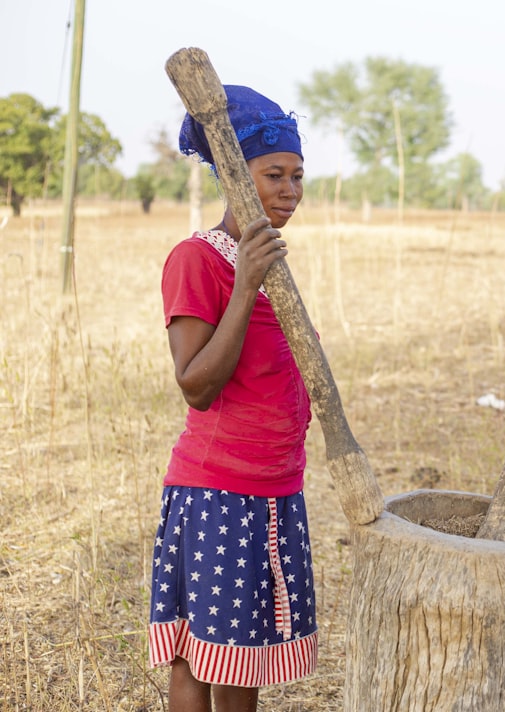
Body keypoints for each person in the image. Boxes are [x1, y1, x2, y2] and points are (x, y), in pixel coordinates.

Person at [147, 85, 316, 712]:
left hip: (273, 488)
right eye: (273, 174)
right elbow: (196, 385)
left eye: (298, 175)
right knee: (217, 660)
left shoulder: (271, 263)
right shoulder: (199, 260)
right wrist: (245, 284)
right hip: (220, 489)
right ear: (234, 178)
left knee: (219, 653)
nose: (290, 189)